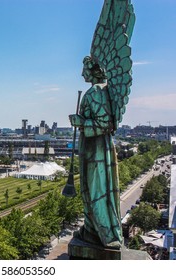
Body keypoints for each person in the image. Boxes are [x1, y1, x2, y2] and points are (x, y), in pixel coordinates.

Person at [69, 56, 122, 249]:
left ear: (93, 71)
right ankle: (92, 230)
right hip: (95, 147)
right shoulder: (101, 91)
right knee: (92, 190)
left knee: (96, 190)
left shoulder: (94, 92)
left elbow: (105, 123)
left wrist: (80, 122)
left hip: (96, 150)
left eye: (84, 69)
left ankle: (105, 234)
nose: (82, 73)